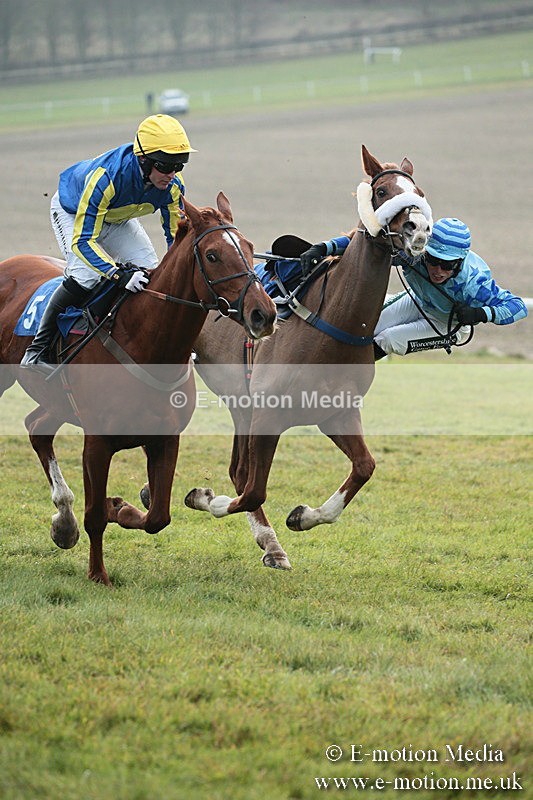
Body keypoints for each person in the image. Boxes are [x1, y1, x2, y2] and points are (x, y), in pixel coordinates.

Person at [21, 113, 196, 370]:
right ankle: (37, 349)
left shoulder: (173, 187)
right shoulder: (107, 178)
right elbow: (82, 241)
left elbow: (175, 239)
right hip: (73, 211)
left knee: (149, 269)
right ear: (143, 160)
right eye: (165, 166)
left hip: (116, 216)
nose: (172, 174)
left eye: (179, 166)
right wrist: (117, 274)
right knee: (86, 275)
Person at [299, 217, 527, 358]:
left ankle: (344, 379)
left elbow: (517, 306)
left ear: (460, 261)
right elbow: (367, 245)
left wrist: (480, 313)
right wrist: (324, 248)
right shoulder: (414, 254)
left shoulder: (475, 282)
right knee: (364, 327)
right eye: (433, 260)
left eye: (447, 265)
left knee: (387, 339)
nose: (438, 270)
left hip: (449, 324)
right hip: (419, 302)